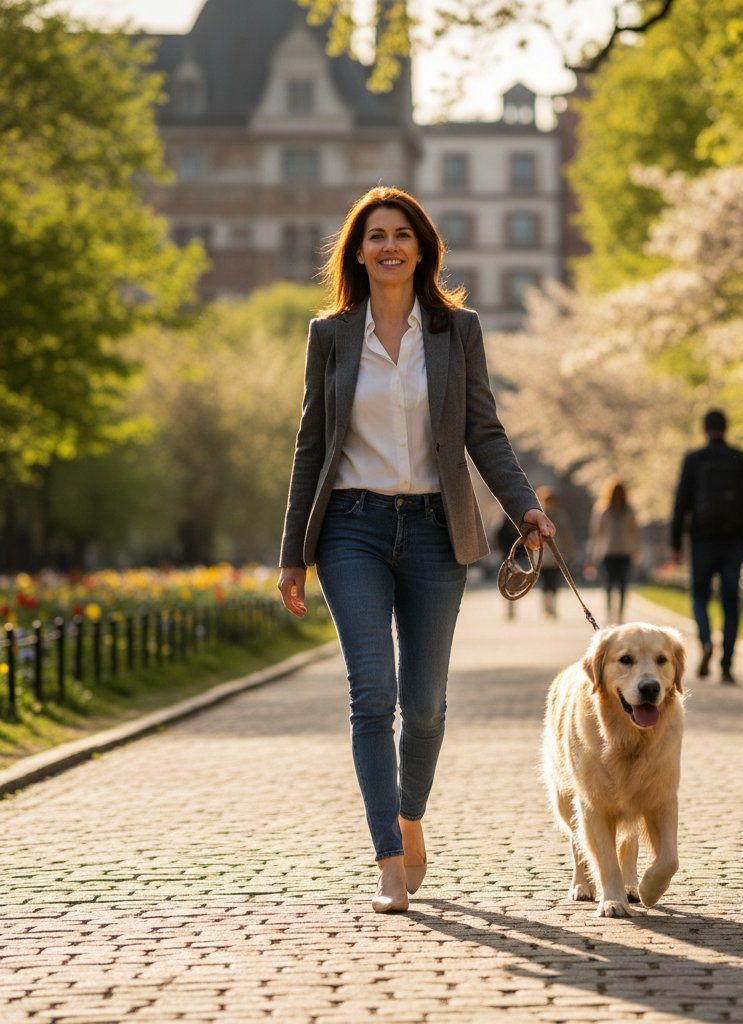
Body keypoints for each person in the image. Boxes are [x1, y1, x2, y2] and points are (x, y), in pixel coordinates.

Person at [276, 186, 555, 914]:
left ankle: (409, 813)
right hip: (350, 529)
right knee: (373, 697)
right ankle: (389, 862)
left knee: (425, 707)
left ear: (422, 248)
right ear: (358, 251)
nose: (390, 246)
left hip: (436, 530)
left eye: (403, 234)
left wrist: (524, 505)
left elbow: (483, 433)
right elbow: (312, 445)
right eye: (376, 236)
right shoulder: (330, 334)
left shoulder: (455, 331)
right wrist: (290, 552)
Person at [669, 409, 743, 684]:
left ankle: (706, 640)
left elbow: (681, 503)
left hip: (702, 539)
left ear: (704, 429)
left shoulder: (693, 460)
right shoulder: (742, 460)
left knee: (699, 597)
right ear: (726, 427)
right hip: (734, 541)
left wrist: (676, 543)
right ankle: (726, 663)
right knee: (730, 602)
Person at [588, 476, 640, 624]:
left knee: (623, 586)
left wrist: (635, 550)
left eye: (620, 491)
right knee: (609, 585)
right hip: (608, 553)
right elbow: (596, 533)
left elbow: (634, 532)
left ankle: (620, 615)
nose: (618, 495)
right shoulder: (603, 510)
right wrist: (592, 556)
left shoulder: (629, 511)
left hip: (625, 553)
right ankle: (610, 613)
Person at [535, 486, 575, 618]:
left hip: (557, 556)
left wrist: (569, 552)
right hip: (542, 557)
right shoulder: (539, 516)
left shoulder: (561, 517)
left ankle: (553, 607)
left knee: (554, 583)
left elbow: (567, 536)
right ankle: (546, 607)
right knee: (545, 583)